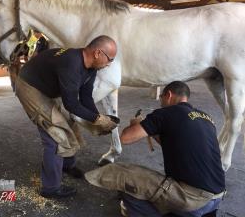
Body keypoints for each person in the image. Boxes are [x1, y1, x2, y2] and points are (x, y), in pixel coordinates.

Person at [85, 81, 226, 217]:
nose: (161, 102)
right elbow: (174, 143)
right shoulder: (207, 119)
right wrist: (150, 130)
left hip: (191, 200)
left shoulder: (165, 113)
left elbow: (125, 138)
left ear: (168, 95)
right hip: (216, 199)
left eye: (161, 97)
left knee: (122, 174)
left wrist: (135, 125)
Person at [15, 35, 118, 199]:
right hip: (30, 86)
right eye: (110, 59)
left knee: (70, 123)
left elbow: (85, 98)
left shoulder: (91, 68)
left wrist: (97, 117)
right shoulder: (72, 63)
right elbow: (71, 104)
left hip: (46, 87)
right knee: (56, 135)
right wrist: (97, 120)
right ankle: (50, 188)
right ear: (98, 53)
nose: (110, 64)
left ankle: (66, 165)